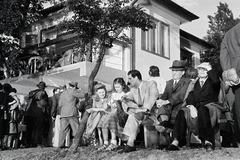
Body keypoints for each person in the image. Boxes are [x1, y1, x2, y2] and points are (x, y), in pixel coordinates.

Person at [167, 62, 221, 151]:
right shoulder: (194, 83)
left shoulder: (213, 82)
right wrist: (191, 107)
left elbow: (215, 81)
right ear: (197, 72)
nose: (202, 71)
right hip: (196, 107)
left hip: (210, 107)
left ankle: (208, 141)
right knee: (182, 112)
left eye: (205, 69)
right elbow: (190, 96)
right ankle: (176, 141)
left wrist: (209, 69)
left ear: (209, 71)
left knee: (202, 110)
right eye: (200, 69)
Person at [118, 70, 159, 153]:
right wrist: (125, 97)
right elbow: (129, 96)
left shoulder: (150, 84)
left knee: (133, 115)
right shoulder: (133, 89)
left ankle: (129, 143)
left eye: (130, 79)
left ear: (136, 77)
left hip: (151, 114)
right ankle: (130, 143)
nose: (128, 81)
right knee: (126, 104)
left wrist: (145, 109)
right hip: (139, 113)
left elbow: (153, 96)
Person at [155, 60, 191, 132]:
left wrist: (166, 101)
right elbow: (165, 95)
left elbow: (181, 95)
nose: (174, 73)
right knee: (160, 106)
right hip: (169, 107)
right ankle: (164, 122)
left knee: (165, 107)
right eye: (173, 70)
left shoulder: (187, 82)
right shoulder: (169, 82)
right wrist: (160, 101)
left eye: (177, 71)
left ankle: (165, 125)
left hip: (180, 105)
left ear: (183, 72)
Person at [220, 22, 240, 143]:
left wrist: (229, 73)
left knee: (238, 105)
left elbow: (223, 56)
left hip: (234, 74)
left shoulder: (229, 33)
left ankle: (238, 138)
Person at [58, 82, 85, 148]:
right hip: (71, 112)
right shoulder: (73, 91)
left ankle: (61, 145)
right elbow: (83, 95)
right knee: (76, 129)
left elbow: (60, 104)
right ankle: (77, 144)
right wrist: (80, 90)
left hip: (63, 113)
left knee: (63, 130)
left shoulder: (63, 93)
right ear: (75, 86)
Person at [24, 81, 49, 147]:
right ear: (44, 87)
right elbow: (43, 102)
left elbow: (25, 98)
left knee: (29, 129)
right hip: (39, 113)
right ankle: (37, 142)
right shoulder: (43, 92)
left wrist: (30, 103)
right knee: (38, 128)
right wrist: (47, 104)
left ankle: (27, 143)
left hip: (29, 112)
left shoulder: (32, 92)